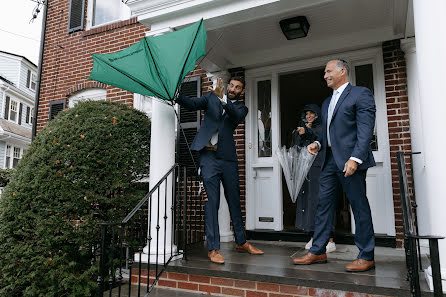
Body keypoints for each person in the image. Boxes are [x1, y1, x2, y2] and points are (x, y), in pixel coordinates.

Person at [292, 59, 376, 272]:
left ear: (342, 71)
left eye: (329, 71)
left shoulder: (360, 94)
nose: (325, 75)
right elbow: (326, 132)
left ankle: (367, 255)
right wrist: (318, 143)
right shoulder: (327, 102)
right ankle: (318, 250)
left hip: (350, 161)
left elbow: (366, 130)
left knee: (358, 206)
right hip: (329, 161)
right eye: (324, 72)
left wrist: (355, 158)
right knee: (323, 204)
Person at [176, 77, 264, 264]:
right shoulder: (210, 98)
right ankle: (214, 248)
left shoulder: (242, 108)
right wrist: (176, 95)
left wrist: (222, 99)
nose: (233, 89)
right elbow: (192, 104)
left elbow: (234, 115)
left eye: (237, 87)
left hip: (228, 159)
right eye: (231, 85)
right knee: (211, 202)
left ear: (242, 92)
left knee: (234, 199)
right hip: (208, 158)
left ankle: (241, 241)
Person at [293, 104, 336, 253]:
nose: (309, 116)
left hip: (319, 168)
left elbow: (321, 139)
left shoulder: (322, 127)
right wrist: (301, 134)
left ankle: (329, 238)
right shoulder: (302, 127)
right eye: (306, 114)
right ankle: (313, 235)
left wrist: (308, 131)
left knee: (321, 200)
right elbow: (297, 146)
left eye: (312, 113)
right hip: (306, 169)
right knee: (308, 202)